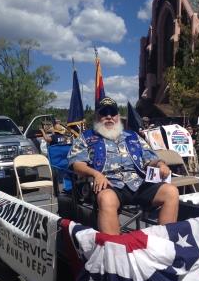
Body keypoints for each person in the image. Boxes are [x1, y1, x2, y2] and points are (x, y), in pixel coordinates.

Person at [68, 96, 179, 234]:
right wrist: (96, 174)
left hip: (138, 183)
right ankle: (114, 250)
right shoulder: (86, 137)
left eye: (112, 113)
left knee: (171, 192)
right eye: (104, 113)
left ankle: (165, 244)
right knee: (106, 198)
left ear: (118, 116)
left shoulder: (132, 135)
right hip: (109, 183)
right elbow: (76, 164)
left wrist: (161, 164)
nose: (109, 117)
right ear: (97, 116)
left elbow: (149, 158)